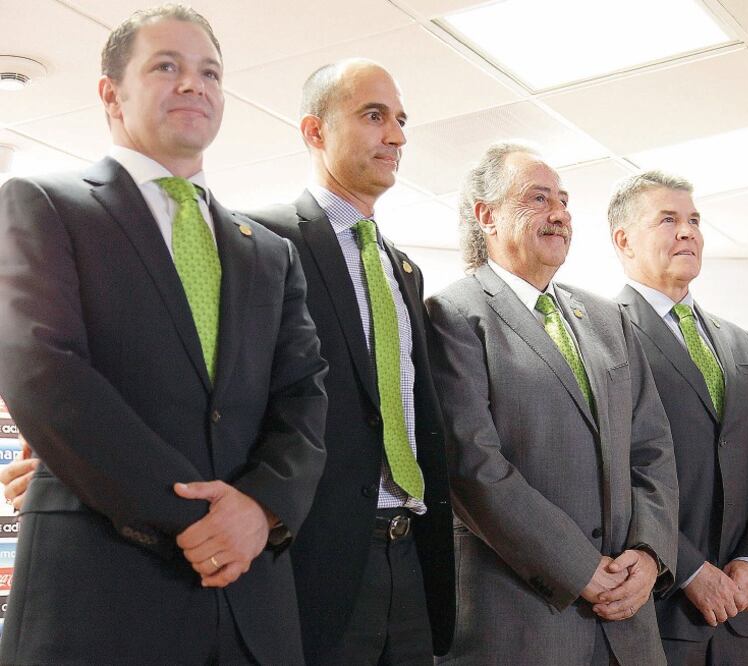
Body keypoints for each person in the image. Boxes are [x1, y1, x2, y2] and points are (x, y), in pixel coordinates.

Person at [0, 5, 328, 664]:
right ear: (110, 94)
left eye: (209, 72)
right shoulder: (45, 204)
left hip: (248, 604)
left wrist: (259, 511)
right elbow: (43, 370)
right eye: (166, 67)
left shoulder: (268, 252)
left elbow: (303, 398)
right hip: (100, 589)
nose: (193, 85)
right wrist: (200, 520)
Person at [427, 142, 679, 665]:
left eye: (563, 200)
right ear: (486, 215)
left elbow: (652, 448)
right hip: (522, 622)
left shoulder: (609, 320)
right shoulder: (452, 315)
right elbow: (473, 466)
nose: (560, 214)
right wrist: (578, 568)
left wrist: (649, 554)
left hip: (629, 626)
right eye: (539, 199)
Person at [247, 59, 454, 664]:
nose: (396, 135)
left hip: (410, 554)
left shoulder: (405, 271)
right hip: (314, 555)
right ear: (315, 132)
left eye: (400, 120)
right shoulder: (261, 240)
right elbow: (216, 383)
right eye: (373, 116)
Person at [609, 171, 748, 664]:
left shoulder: (739, 342)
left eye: (693, 220)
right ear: (624, 240)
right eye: (668, 220)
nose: (687, 231)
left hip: (743, 614)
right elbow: (613, 471)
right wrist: (690, 569)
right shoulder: (603, 335)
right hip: (660, 609)